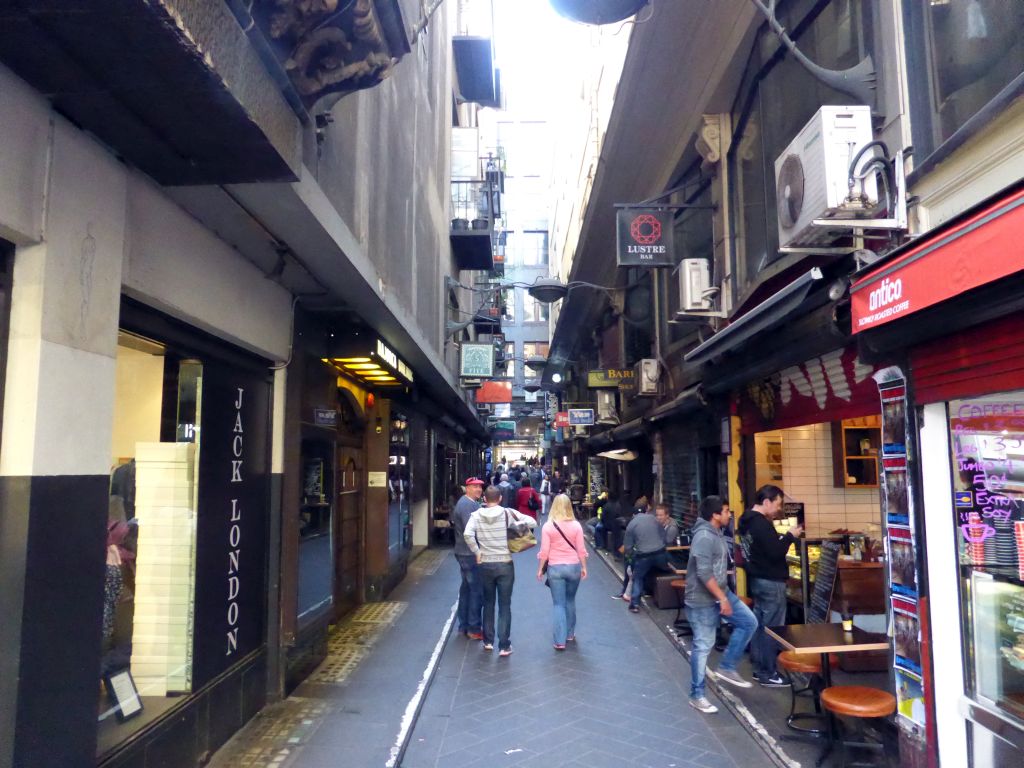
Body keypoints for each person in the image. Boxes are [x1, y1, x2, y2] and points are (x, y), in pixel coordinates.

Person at [685, 495, 758, 713]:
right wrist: (722, 598)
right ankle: (697, 695)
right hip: (702, 600)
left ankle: (727, 666)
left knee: (748, 622)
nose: (729, 514)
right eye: (726, 511)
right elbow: (703, 572)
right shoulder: (704, 537)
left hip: (721, 593)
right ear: (715, 515)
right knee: (703, 645)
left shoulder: (716, 532)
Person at [738, 484, 802, 687]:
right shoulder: (761, 525)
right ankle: (768, 671)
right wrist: (790, 536)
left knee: (759, 625)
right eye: (777, 504)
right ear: (766, 502)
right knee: (771, 628)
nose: (778, 509)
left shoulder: (745, 520)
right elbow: (775, 552)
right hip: (770, 582)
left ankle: (759, 667)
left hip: (756, 579)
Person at [464, 486, 536, 656]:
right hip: (505, 563)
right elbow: (532, 522)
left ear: (485, 499)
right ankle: (504, 645)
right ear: (500, 498)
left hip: (486, 564)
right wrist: (516, 525)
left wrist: (477, 551)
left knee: (488, 603)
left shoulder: (476, 515)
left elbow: (468, 534)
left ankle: (488, 641)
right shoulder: (507, 513)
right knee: (505, 605)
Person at [536, 494, 588, 649]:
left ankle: (559, 640)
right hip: (573, 567)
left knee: (558, 604)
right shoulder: (576, 526)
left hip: (555, 568)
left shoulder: (548, 526)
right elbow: (581, 550)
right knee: (570, 600)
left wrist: (540, 569)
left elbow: (544, 551)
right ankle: (570, 634)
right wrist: (584, 567)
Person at [451, 477, 485, 640]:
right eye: (475, 487)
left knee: (466, 589)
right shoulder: (467, 505)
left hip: (463, 552)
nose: (479, 489)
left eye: (480, 487)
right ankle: (473, 627)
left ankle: (463, 625)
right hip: (469, 553)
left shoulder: (467, 503)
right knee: (476, 590)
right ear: (468, 488)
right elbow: (470, 530)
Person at [623, 503, 670, 613]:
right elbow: (663, 537)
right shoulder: (654, 519)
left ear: (634, 514)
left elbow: (628, 548)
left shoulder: (631, 524)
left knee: (637, 577)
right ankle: (657, 592)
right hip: (660, 553)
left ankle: (634, 604)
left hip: (643, 555)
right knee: (664, 569)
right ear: (646, 511)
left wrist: (631, 557)